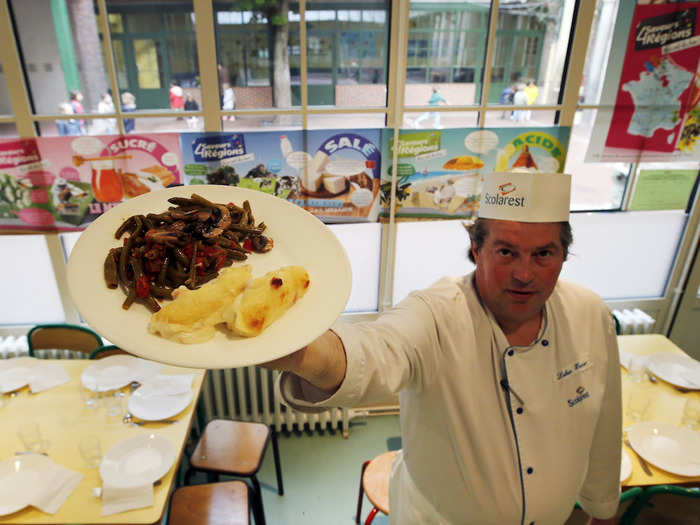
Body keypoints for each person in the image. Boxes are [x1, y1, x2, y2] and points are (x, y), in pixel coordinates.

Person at [264, 171, 621, 525]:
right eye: (506, 252)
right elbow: (378, 351)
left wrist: (602, 510)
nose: (524, 274)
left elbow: (604, 421)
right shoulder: (436, 312)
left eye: (543, 253)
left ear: (563, 255)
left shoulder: (589, 313)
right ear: (477, 249)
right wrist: (306, 352)